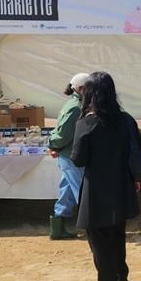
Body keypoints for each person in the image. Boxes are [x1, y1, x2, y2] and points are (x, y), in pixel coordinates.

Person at [71, 72, 141, 281]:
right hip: (122, 184)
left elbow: (79, 159)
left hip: (97, 189)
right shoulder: (126, 120)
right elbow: (137, 150)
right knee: (116, 233)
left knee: (99, 239)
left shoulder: (86, 123)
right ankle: (120, 276)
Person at [48, 72, 89, 240]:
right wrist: (53, 144)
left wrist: (54, 145)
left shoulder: (73, 104)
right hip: (72, 156)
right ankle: (93, 227)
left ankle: (57, 228)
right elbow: (64, 134)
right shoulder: (76, 107)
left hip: (67, 155)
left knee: (67, 192)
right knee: (82, 193)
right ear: (81, 88)